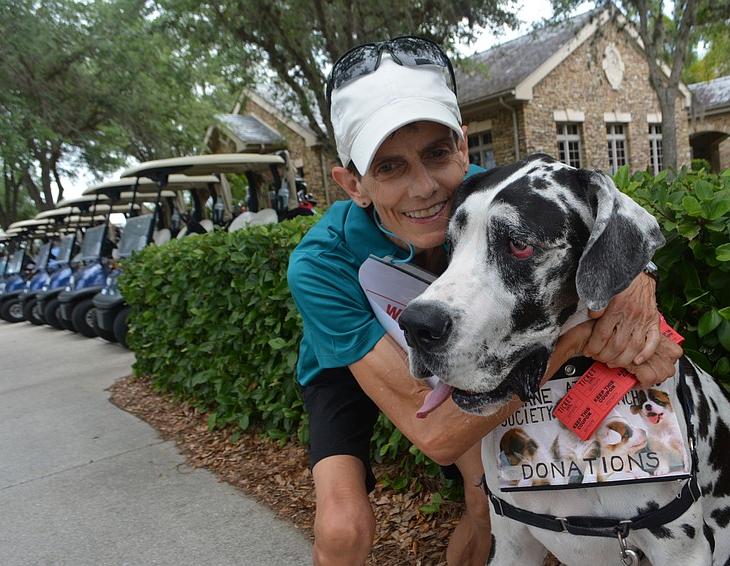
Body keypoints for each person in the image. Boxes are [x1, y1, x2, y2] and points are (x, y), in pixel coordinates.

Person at [287, 36, 683, 566]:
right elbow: (438, 434)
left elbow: (589, 221)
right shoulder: (319, 263)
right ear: (352, 183)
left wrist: (636, 279)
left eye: (436, 153)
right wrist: (579, 338)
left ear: (463, 149)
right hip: (354, 358)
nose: (425, 187)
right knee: (343, 529)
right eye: (389, 167)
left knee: (486, 499)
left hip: (469, 339)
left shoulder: (488, 195)